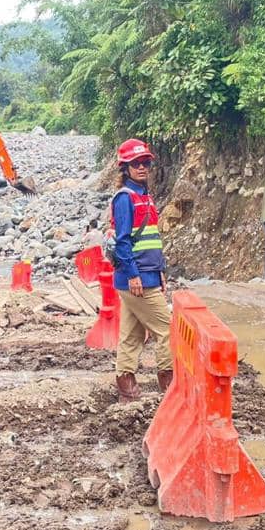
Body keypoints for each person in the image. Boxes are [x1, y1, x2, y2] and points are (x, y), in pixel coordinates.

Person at [110, 139, 171, 403]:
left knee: (131, 335)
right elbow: (123, 241)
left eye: (146, 162)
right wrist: (134, 274)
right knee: (167, 331)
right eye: (136, 163)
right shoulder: (125, 198)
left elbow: (151, 238)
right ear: (125, 168)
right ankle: (169, 388)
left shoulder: (144, 196)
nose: (142, 167)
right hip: (136, 279)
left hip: (145, 274)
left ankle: (127, 392)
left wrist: (161, 271)